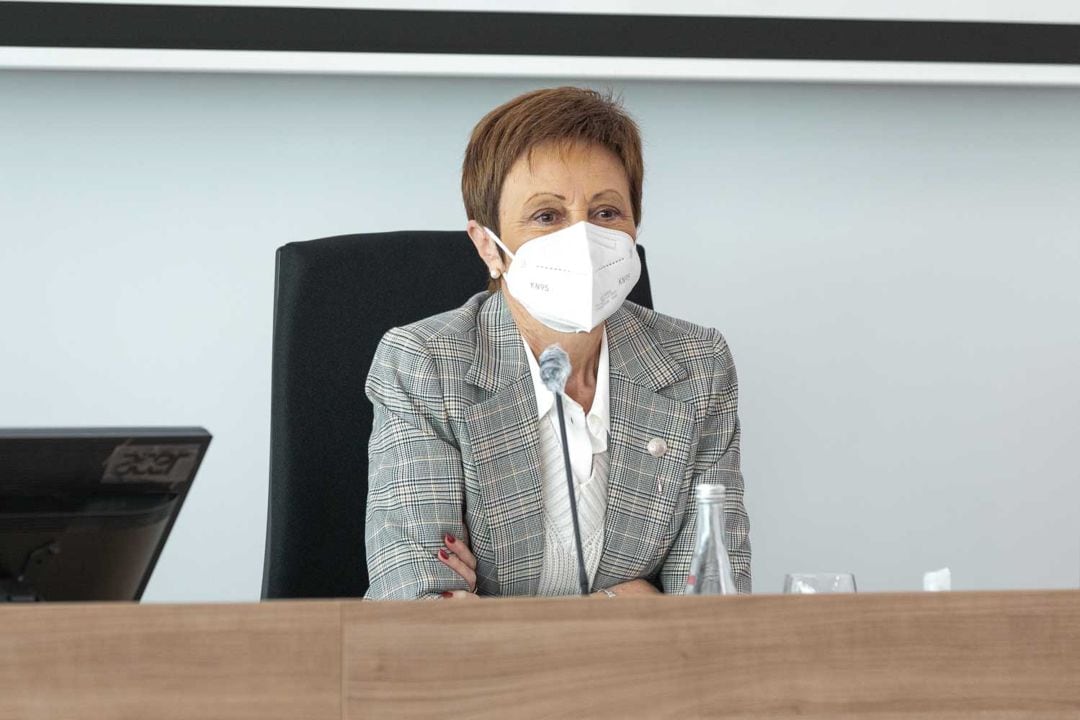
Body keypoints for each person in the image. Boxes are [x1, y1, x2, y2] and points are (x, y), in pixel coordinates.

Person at [364, 86, 750, 600]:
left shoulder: (698, 365)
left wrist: (493, 615)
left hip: (645, 680)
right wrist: (627, 601)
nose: (583, 239)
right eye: (547, 216)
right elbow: (420, 614)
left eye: (607, 212)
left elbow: (711, 609)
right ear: (488, 246)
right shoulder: (425, 366)